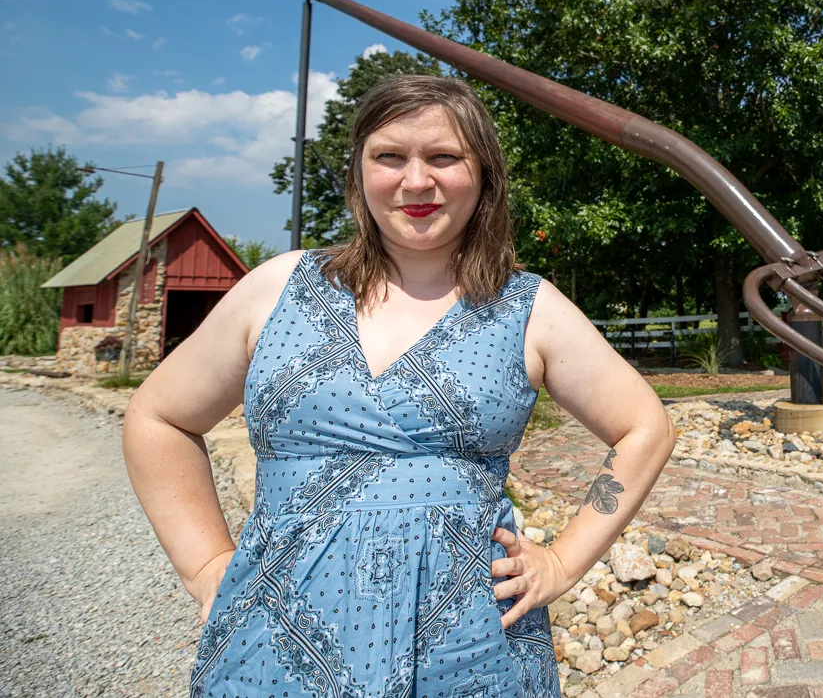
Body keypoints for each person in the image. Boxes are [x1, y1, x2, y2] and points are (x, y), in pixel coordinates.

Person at [123, 74, 677, 698]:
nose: (416, 181)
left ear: (484, 174)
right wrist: (204, 568)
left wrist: (564, 560)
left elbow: (644, 427)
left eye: (444, 157)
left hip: (469, 651)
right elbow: (159, 417)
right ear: (359, 170)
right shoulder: (277, 288)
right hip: (270, 643)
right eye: (390, 156)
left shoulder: (529, 307)